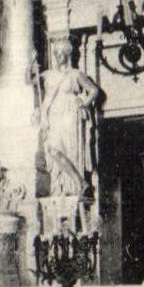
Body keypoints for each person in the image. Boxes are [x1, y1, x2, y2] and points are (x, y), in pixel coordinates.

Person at [39, 39, 101, 199]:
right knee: (52, 149)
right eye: (55, 52)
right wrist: (32, 62)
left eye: (60, 52)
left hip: (69, 114)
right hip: (53, 115)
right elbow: (29, 80)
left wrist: (85, 104)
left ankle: (75, 186)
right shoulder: (48, 75)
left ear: (67, 53)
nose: (57, 55)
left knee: (70, 151)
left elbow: (94, 90)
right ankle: (80, 182)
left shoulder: (75, 74)